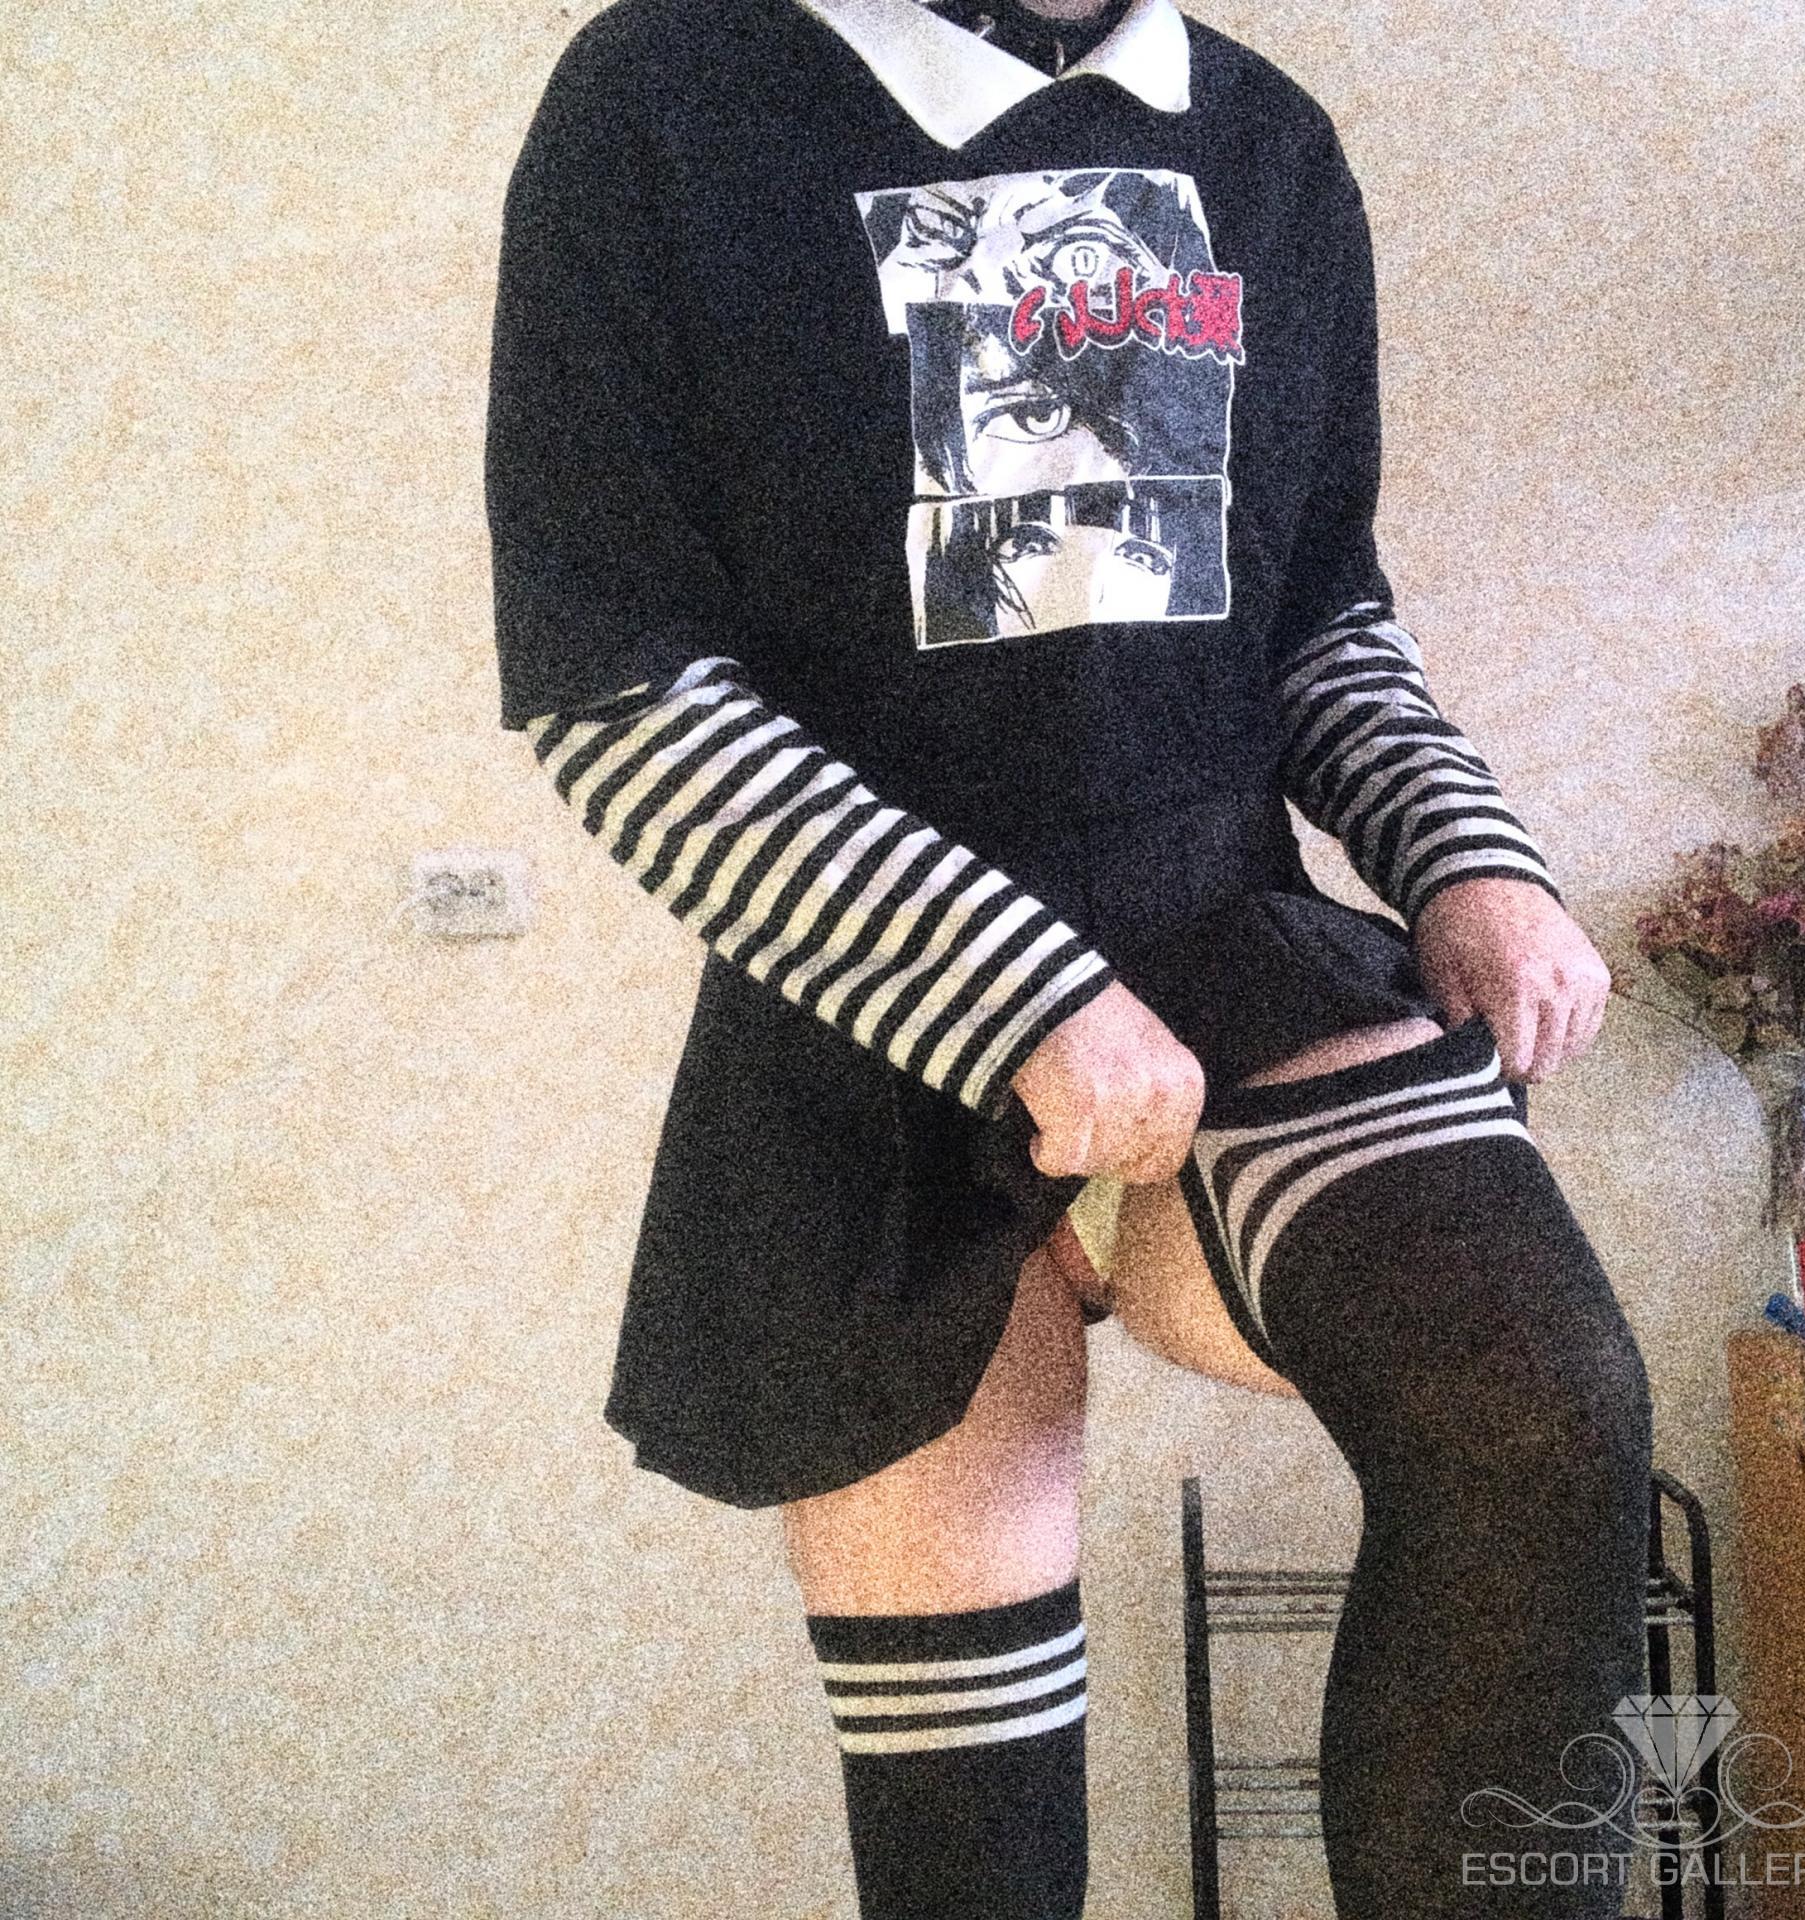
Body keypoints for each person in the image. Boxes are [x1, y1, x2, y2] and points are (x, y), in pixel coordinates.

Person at [483, 0, 1654, 1912]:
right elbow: (618, 685)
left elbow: (1315, 610)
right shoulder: (666, 95)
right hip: (864, 1015)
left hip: (1232, 956)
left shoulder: (1266, 142)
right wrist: (1023, 996)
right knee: (977, 1857)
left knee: (1543, 1421)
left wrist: (1470, 865)